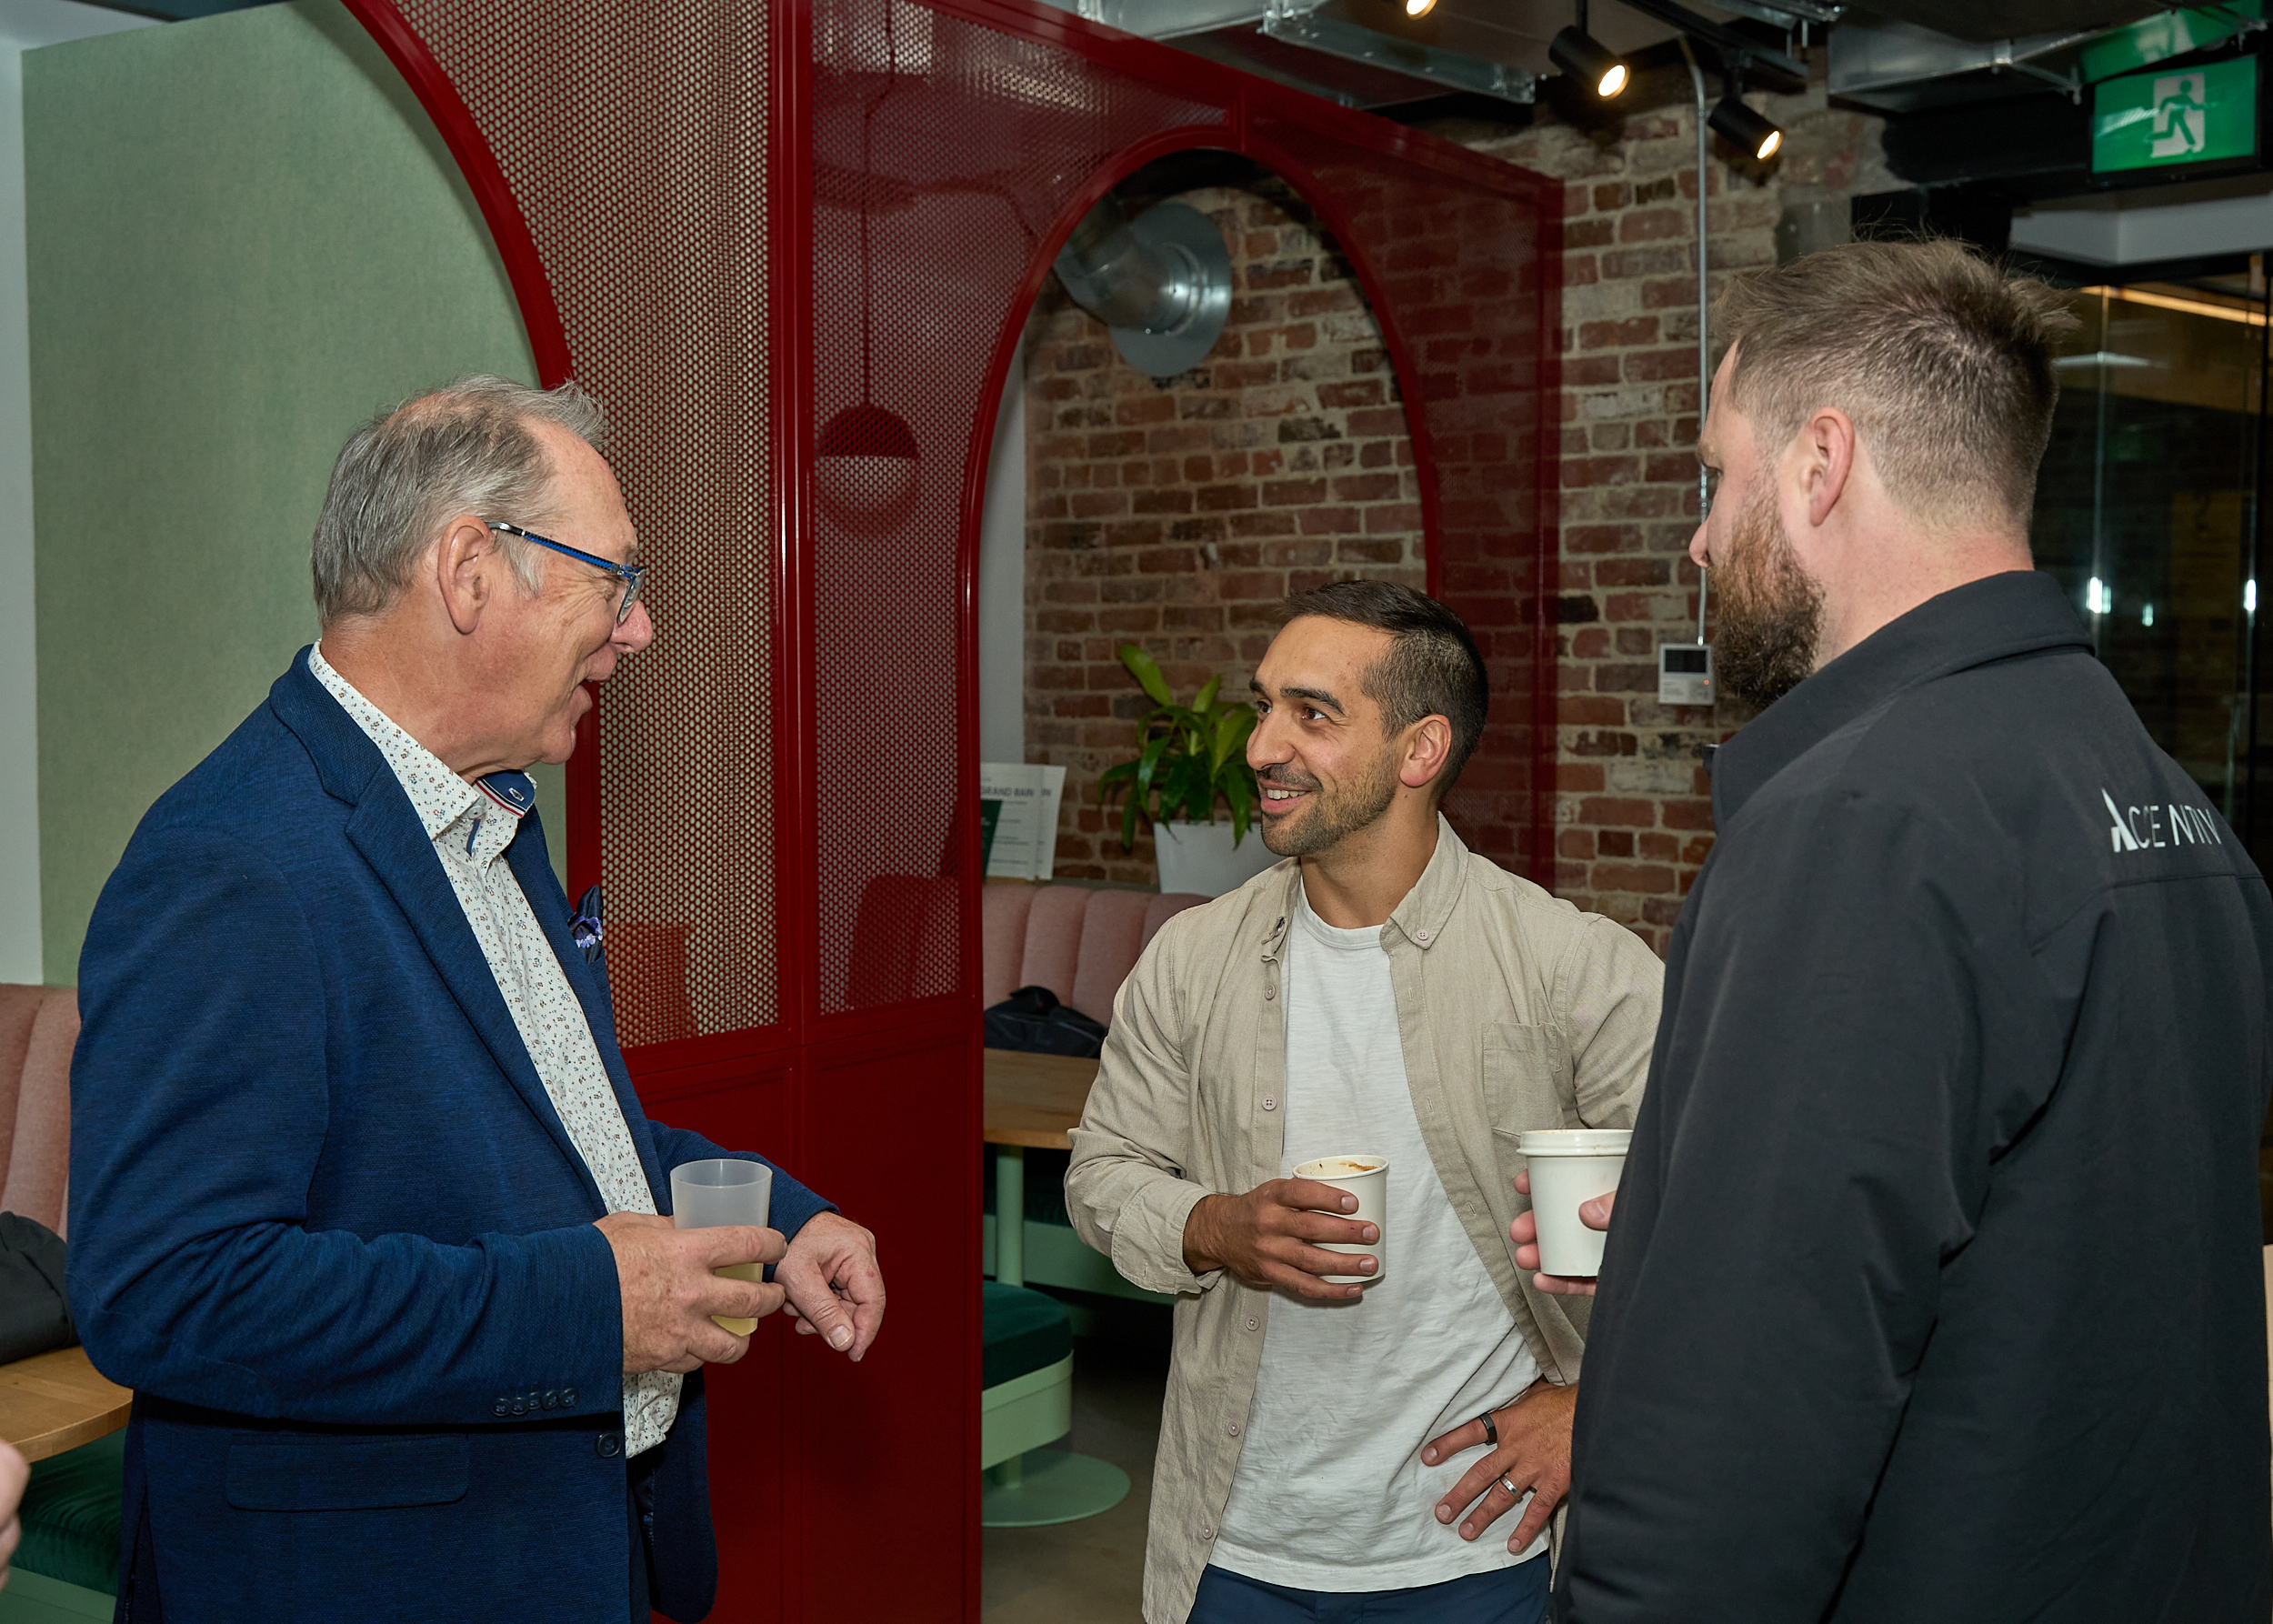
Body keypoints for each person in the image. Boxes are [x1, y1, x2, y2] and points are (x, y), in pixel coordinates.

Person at [67, 377, 886, 1623]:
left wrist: (780, 1212)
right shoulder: (230, 861)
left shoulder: (486, 811)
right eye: (616, 579)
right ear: (469, 572)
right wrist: (584, 1306)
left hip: (562, 1544)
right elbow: (167, 1290)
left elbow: (548, 1137)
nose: (639, 628)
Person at [1544, 241, 2273, 1620]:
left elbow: (1731, 1452)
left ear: (1819, 464)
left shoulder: (1862, 822)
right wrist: (1709, 1209)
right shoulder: (2158, 798)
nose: (1701, 536)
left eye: (1716, 474)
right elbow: (2041, 1239)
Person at [1066, 581, 1664, 1624]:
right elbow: (1101, 1176)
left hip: (1475, 1555)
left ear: (1419, 749)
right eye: (1264, 706)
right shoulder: (1192, 960)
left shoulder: (1572, 969)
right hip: (1233, 1549)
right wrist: (1216, 1226)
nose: (1262, 747)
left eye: (1312, 713)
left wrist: (1593, 1405)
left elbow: (1718, 1218)